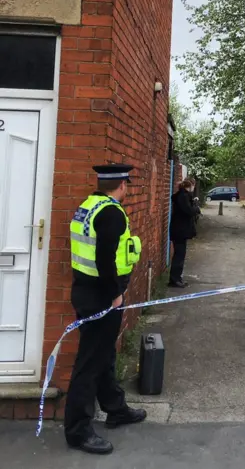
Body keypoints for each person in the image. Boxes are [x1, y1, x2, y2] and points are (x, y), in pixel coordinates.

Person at [64, 164, 146, 455]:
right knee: (89, 363)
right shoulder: (111, 212)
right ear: (122, 185)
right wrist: (115, 295)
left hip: (85, 291)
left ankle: (115, 407)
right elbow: (104, 258)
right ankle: (78, 430)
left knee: (103, 354)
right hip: (101, 297)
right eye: (127, 184)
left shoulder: (87, 205)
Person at [169, 179, 198, 288]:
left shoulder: (182, 196)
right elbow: (189, 211)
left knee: (180, 255)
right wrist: (195, 205)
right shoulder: (183, 197)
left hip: (179, 230)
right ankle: (175, 279)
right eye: (193, 186)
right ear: (190, 185)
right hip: (180, 230)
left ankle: (177, 278)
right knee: (179, 256)